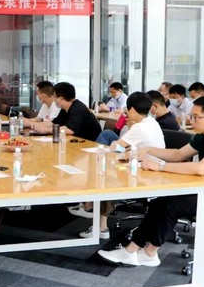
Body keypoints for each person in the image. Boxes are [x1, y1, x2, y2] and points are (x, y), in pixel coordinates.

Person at [98, 96, 204, 267]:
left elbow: (201, 168)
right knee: (161, 199)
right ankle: (132, 250)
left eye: (196, 117)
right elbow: (179, 154)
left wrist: (160, 166)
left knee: (173, 204)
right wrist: (148, 150)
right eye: (191, 115)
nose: (191, 120)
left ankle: (149, 253)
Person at [71, 93, 165, 239]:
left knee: (104, 175)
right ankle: (89, 205)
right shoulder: (152, 122)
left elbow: (116, 147)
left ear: (132, 110)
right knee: (107, 151)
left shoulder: (139, 127)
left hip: (144, 172)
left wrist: (123, 139)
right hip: (149, 167)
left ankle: (100, 226)